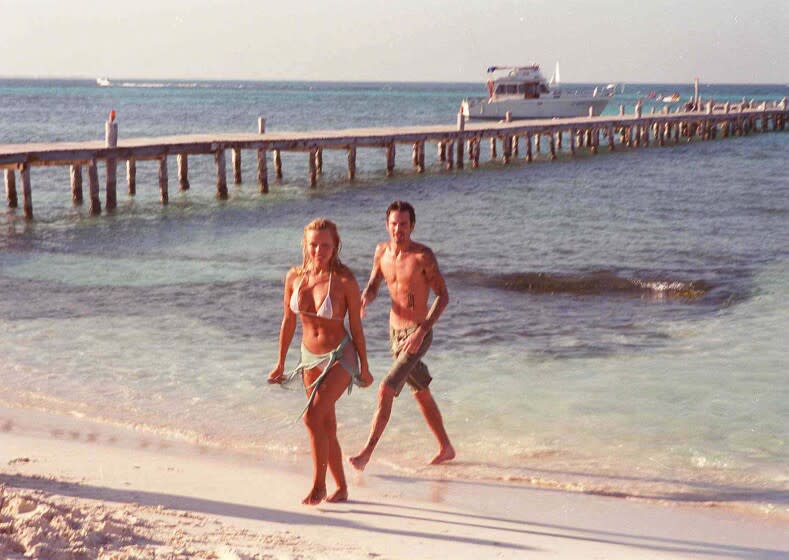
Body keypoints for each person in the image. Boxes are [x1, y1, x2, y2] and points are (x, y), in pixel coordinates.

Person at [268, 218, 373, 505]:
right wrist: (280, 363)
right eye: (313, 244)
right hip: (309, 357)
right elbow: (288, 322)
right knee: (325, 425)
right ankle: (341, 488)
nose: (319, 250)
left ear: (335, 245)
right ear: (305, 245)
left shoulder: (344, 280)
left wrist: (365, 366)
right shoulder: (294, 278)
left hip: (341, 355)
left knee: (311, 416)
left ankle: (318, 485)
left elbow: (356, 326)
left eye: (325, 245)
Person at [349, 201, 455, 471]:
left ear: (412, 226)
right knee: (420, 391)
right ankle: (446, 447)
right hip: (395, 332)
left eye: (404, 224)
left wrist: (422, 330)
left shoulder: (423, 256)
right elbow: (375, 283)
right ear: (387, 226)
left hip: (418, 333)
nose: (399, 229)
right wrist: (366, 298)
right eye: (394, 224)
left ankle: (366, 453)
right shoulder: (381, 252)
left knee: (386, 388)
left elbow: (443, 296)